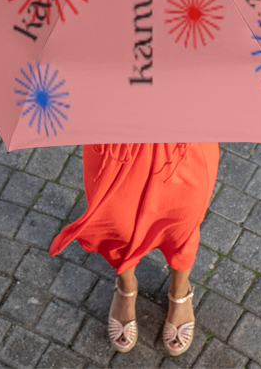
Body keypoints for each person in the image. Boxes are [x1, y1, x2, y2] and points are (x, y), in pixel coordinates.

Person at [49, 142, 220, 356]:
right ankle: (126, 284)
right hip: (118, 142)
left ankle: (180, 289)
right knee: (118, 227)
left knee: (182, 226)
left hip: (184, 140)